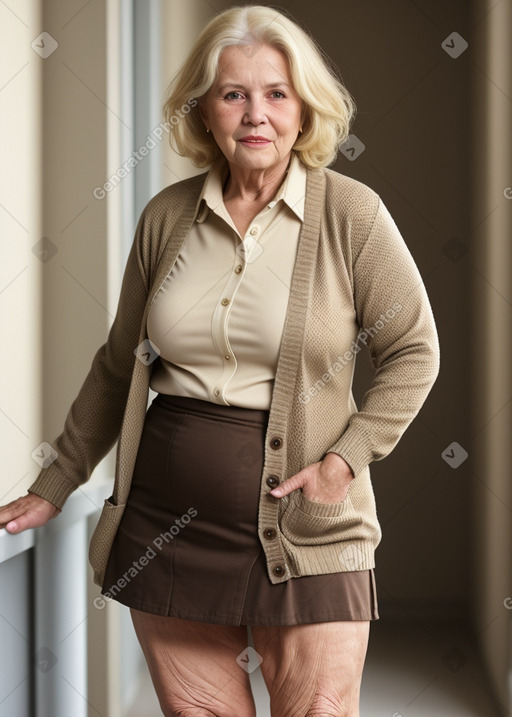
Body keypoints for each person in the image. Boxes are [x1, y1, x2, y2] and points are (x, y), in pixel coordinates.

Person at [0, 5, 440, 716]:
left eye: (276, 93)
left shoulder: (351, 216)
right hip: (167, 526)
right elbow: (120, 363)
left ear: (304, 109)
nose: (256, 113)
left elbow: (416, 350)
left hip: (309, 527)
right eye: (234, 94)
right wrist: (58, 480)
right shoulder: (166, 217)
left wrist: (344, 460)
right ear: (204, 111)